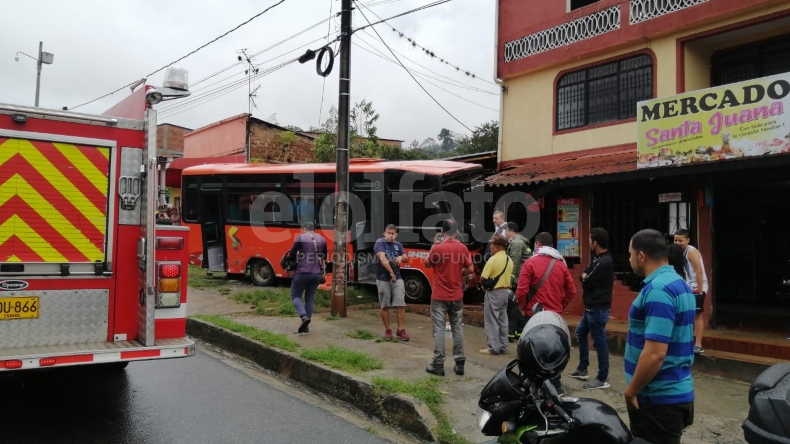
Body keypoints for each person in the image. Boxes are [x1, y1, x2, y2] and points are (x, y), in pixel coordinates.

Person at [626, 229, 695, 444]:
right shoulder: (679, 283)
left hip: (657, 398)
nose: (629, 259)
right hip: (674, 391)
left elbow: (656, 353)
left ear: (641, 256)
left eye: (630, 254)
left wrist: (631, 391)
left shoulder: (658, 290)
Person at [515, 231, 576, 393]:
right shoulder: (561, 264)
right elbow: (572, 291)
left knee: (530, 349)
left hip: (534, 314)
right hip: (554, 317)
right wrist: (560, 306)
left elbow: (521, 290)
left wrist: (521, 306)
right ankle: (555, 386)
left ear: (537, 244)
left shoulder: (530, 263)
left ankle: (531, 385)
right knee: (553, 350)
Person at [424, 219, 474, 377]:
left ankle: (438, 364)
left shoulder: (438, 248)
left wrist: (434, 246)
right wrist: (460, 275)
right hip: (456, 295)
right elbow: (471, 269)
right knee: (457, 328)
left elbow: (426, 264)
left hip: (439, 296)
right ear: (457, 232)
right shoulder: (462, 248)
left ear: (442, 231)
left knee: (439, 329)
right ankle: (460, 364)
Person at [569, 227, 614, 390]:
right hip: (592, 308)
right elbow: (584, 274)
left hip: (598, 308)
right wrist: (584, 276)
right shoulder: (598, 259)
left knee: (599, 342)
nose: (588, 242)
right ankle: (583, 368)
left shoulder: (604, 262)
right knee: (581, 332)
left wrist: (584, 277)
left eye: (590, 240)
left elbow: (587, 281)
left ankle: (602, 377)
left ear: (595, 242)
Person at [286, 222, 327, 333]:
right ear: (314, 229)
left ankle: (304, 317)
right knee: (309, 298)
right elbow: (324, 256)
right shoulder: (322, 239)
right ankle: (306, 326)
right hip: (316, 274)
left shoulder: (301, 238)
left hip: (302, 272)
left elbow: (293, 254)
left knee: (295, 295)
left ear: (304, 229)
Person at [673, 229, 708, 354]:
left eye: (680, 240)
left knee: (697, 315)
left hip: (697, 287)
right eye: (675, 240)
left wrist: (700, 290)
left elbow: (698, 271)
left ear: (687, 240)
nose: (677, 243)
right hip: (688, 286)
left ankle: (698, 344)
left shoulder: (691, 251)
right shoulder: (679, 252)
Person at [374, 224, 410, 341]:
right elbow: (383, 259)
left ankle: (400, 329)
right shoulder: (380, 243)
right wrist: (391, 272)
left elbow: (406, 257)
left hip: (398, 278)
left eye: (393, 233)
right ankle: (388, 329)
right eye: (389, 233)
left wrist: (401, 258)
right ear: (384, 233)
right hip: (383, 278)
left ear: (396, 234)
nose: (391, 236)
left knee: (400, 303)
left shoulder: (398, 245)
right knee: (385, 305)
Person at [479, 234, 513, 355]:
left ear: (498, 246)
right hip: (505, 293)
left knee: (491, 320)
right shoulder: (509, 260)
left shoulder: (493, 259)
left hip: (494, 293)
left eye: (492, 244)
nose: (491, 247)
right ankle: (504, 346)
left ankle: (493, 347)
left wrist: (483, 285)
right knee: (503, 320)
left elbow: (483, 278)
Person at [504, 221, 532, 342]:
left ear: (511, 230)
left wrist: (509, 279)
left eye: (506, 231)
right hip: (522, 278)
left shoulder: (516, 243)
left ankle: (512, 333)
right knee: (518, 306)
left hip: (518, 279)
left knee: (514, 307)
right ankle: (517, 333)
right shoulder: (520, 242)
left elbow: (513, 263)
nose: (505, 233)